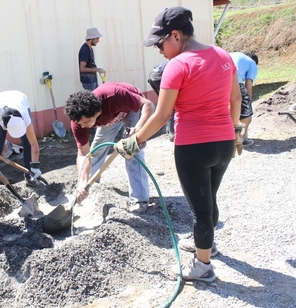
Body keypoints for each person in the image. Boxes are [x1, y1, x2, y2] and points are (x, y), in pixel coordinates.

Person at [114, 7, 242, 282]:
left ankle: (202, 266)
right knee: (208, 196)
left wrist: (134, 142)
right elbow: (235, 100)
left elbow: (161, 115)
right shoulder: (223, 56)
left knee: (200, 210)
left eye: (161, 43)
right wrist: (236, 131)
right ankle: (208, 246)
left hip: (194, 147)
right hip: (224, 144)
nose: (160, 50)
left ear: (176, 35)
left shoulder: (178, 65)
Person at [64, 82, 155, 213]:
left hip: (131, 109)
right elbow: (84, 155)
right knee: (96, 150)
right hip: (109, 118)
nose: (83, 126)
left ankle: (140, 199)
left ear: (96, 112)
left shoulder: (114, 95)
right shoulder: (79, 122)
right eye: (80, 123)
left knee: (132, 151)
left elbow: (149, 104)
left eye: (86, 122)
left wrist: (138, 130)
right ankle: (90, 189)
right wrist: (82, 180)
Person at [0, 90, 41, 197]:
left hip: (19, 99)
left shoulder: (24, 118)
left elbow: (33, 144)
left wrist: (35, 166)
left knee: (27, 143)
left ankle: (30, 176)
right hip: (2, 104)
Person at [230, 52, 259, 146]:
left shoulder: (235, 55)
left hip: (217, 81)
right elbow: (248, 85)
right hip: (233, 80)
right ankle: (242, 138)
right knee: (246, 112)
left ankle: (228, 138)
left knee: (229, 109)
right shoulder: (252, 63)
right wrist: (249, 101)